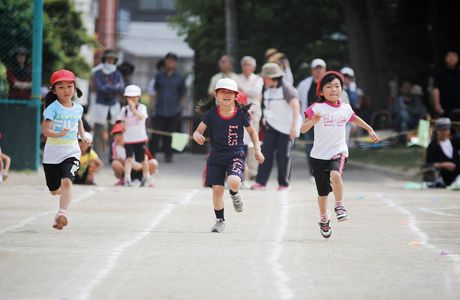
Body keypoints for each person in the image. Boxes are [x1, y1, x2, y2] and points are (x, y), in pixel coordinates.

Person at [301, 71, 379, 238]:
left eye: (337, 86)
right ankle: (323, 219)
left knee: (336, 175)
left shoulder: (345, 108)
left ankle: (339, 205)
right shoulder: (316, 108)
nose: (333, 90)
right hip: (318, 155)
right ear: (321, 91)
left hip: (338, 152)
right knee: (322, 193)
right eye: (328, 87)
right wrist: (312, 121)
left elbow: (354, 118)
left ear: (341, 90)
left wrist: (370, 129)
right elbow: (302, 129)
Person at [193, 78, 264, 233]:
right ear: (216, 95)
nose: (226, 95)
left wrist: (257, 150)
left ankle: (234, 193)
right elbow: (198, 131)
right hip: (216, 156)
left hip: (235, 154)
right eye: (222, 92)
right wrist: (196, 135)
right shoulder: (211, 114)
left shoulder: (241, 114)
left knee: (233, 181)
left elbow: (252, 132)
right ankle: (220, 220)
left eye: (230, 92)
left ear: (236, 96)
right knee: (217, 189)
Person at [42, 69, 90, 230]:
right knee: (54, 190)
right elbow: (46, 131)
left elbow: (79, 123)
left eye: (69, 86)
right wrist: (57, 133)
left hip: (71, 151)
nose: (66, 90)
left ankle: (61, 214)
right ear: (54, 90)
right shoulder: (52, 108)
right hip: (52, 155)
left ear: (75, 88)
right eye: (61, 87)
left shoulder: (78, 108)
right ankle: (60, 192)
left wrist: (83, 136)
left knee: (68, 182)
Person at [251, 63, 301, 191]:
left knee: (283, 155)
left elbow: (296, 106)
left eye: (265, 77)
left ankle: (284, 184)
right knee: (265, 153)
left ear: (272, 77)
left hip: (287, 127)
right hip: (272, 126)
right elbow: (268, 107)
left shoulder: (286, 88)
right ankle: (261, 182)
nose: (263, 79)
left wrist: (294, 127)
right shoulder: (268, 89)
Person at [150, 52, 186, 163]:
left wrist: (180, 108)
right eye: (168, 60)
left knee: (170, 134)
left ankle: (168, 155)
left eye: (172, 60)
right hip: (160, 108)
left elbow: (182, 94)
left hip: (174, 109)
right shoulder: (159, 76)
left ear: (175, 63)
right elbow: (156, 92)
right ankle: (151, 155)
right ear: (165, 61)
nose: (170, 62)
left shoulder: (180, 77)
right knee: (156, 133)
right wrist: (153, 105)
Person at [92, 49, 125, 155]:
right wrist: (113, 88)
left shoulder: (118, 74)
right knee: (98, 132)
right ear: (104, 60)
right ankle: (96, 155)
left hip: (114, 105)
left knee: (114, 131)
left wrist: (108, 87)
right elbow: (99, 87)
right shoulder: (97, 73)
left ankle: (113, 155)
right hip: (100, 105)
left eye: (112, 59)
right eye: (108, 59)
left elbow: (121, 88)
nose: (110, 61)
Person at [117, 84, 151, 187]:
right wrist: (122, 129)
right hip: (128, 139)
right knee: (129, 158)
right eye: (129, 97)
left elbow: (142, 118)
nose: (132, 99)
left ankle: (146, 176)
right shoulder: (124, 110)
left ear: (138, 97)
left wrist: (134, 110)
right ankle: (127, 178)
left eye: (134, 96)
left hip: (140, 138)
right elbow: (120, 122)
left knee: (142, 158)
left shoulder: (142, 108)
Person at [296, 58, 327, 173]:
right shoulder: (304, 84)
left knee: (325, 146)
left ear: (324, 70)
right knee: (310, 147)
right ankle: (313, 171)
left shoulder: (330, 83)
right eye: (316, 69)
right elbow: (297, 100)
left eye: (320, 68)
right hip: (309, 120)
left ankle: (325, 171)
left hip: (325, 121)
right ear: (312, 70)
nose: (318, 71)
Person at [236, 56, 263, 180]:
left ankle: (253, 171)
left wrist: (243, 89)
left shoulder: (258, 79)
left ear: (254, 67)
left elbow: (256, 93)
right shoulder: (237, 78)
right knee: (240, 139)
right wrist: (245, 91)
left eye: (249, 65)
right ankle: (240, 168)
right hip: (239, 112)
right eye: (244, 65)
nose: (247, 67)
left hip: (254, 113)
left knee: (253, 140)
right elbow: (236, 92)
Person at [426, 118, 460, 187]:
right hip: (443, 177)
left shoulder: (455, 142)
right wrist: (443, 164)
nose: (444, 132)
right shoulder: (433, 146)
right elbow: (429, 164)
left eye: (446, 130)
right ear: (437, 131)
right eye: (441, 130)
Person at [433, 51, 460, 117]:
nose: (452, 59)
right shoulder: (440, 72)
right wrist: (437, 104)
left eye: (454, 56)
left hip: (458, 106)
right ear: (446, 59)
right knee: (445, 126)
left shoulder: (459, 72)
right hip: (444, 107)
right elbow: (436, 89)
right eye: (450, 56)